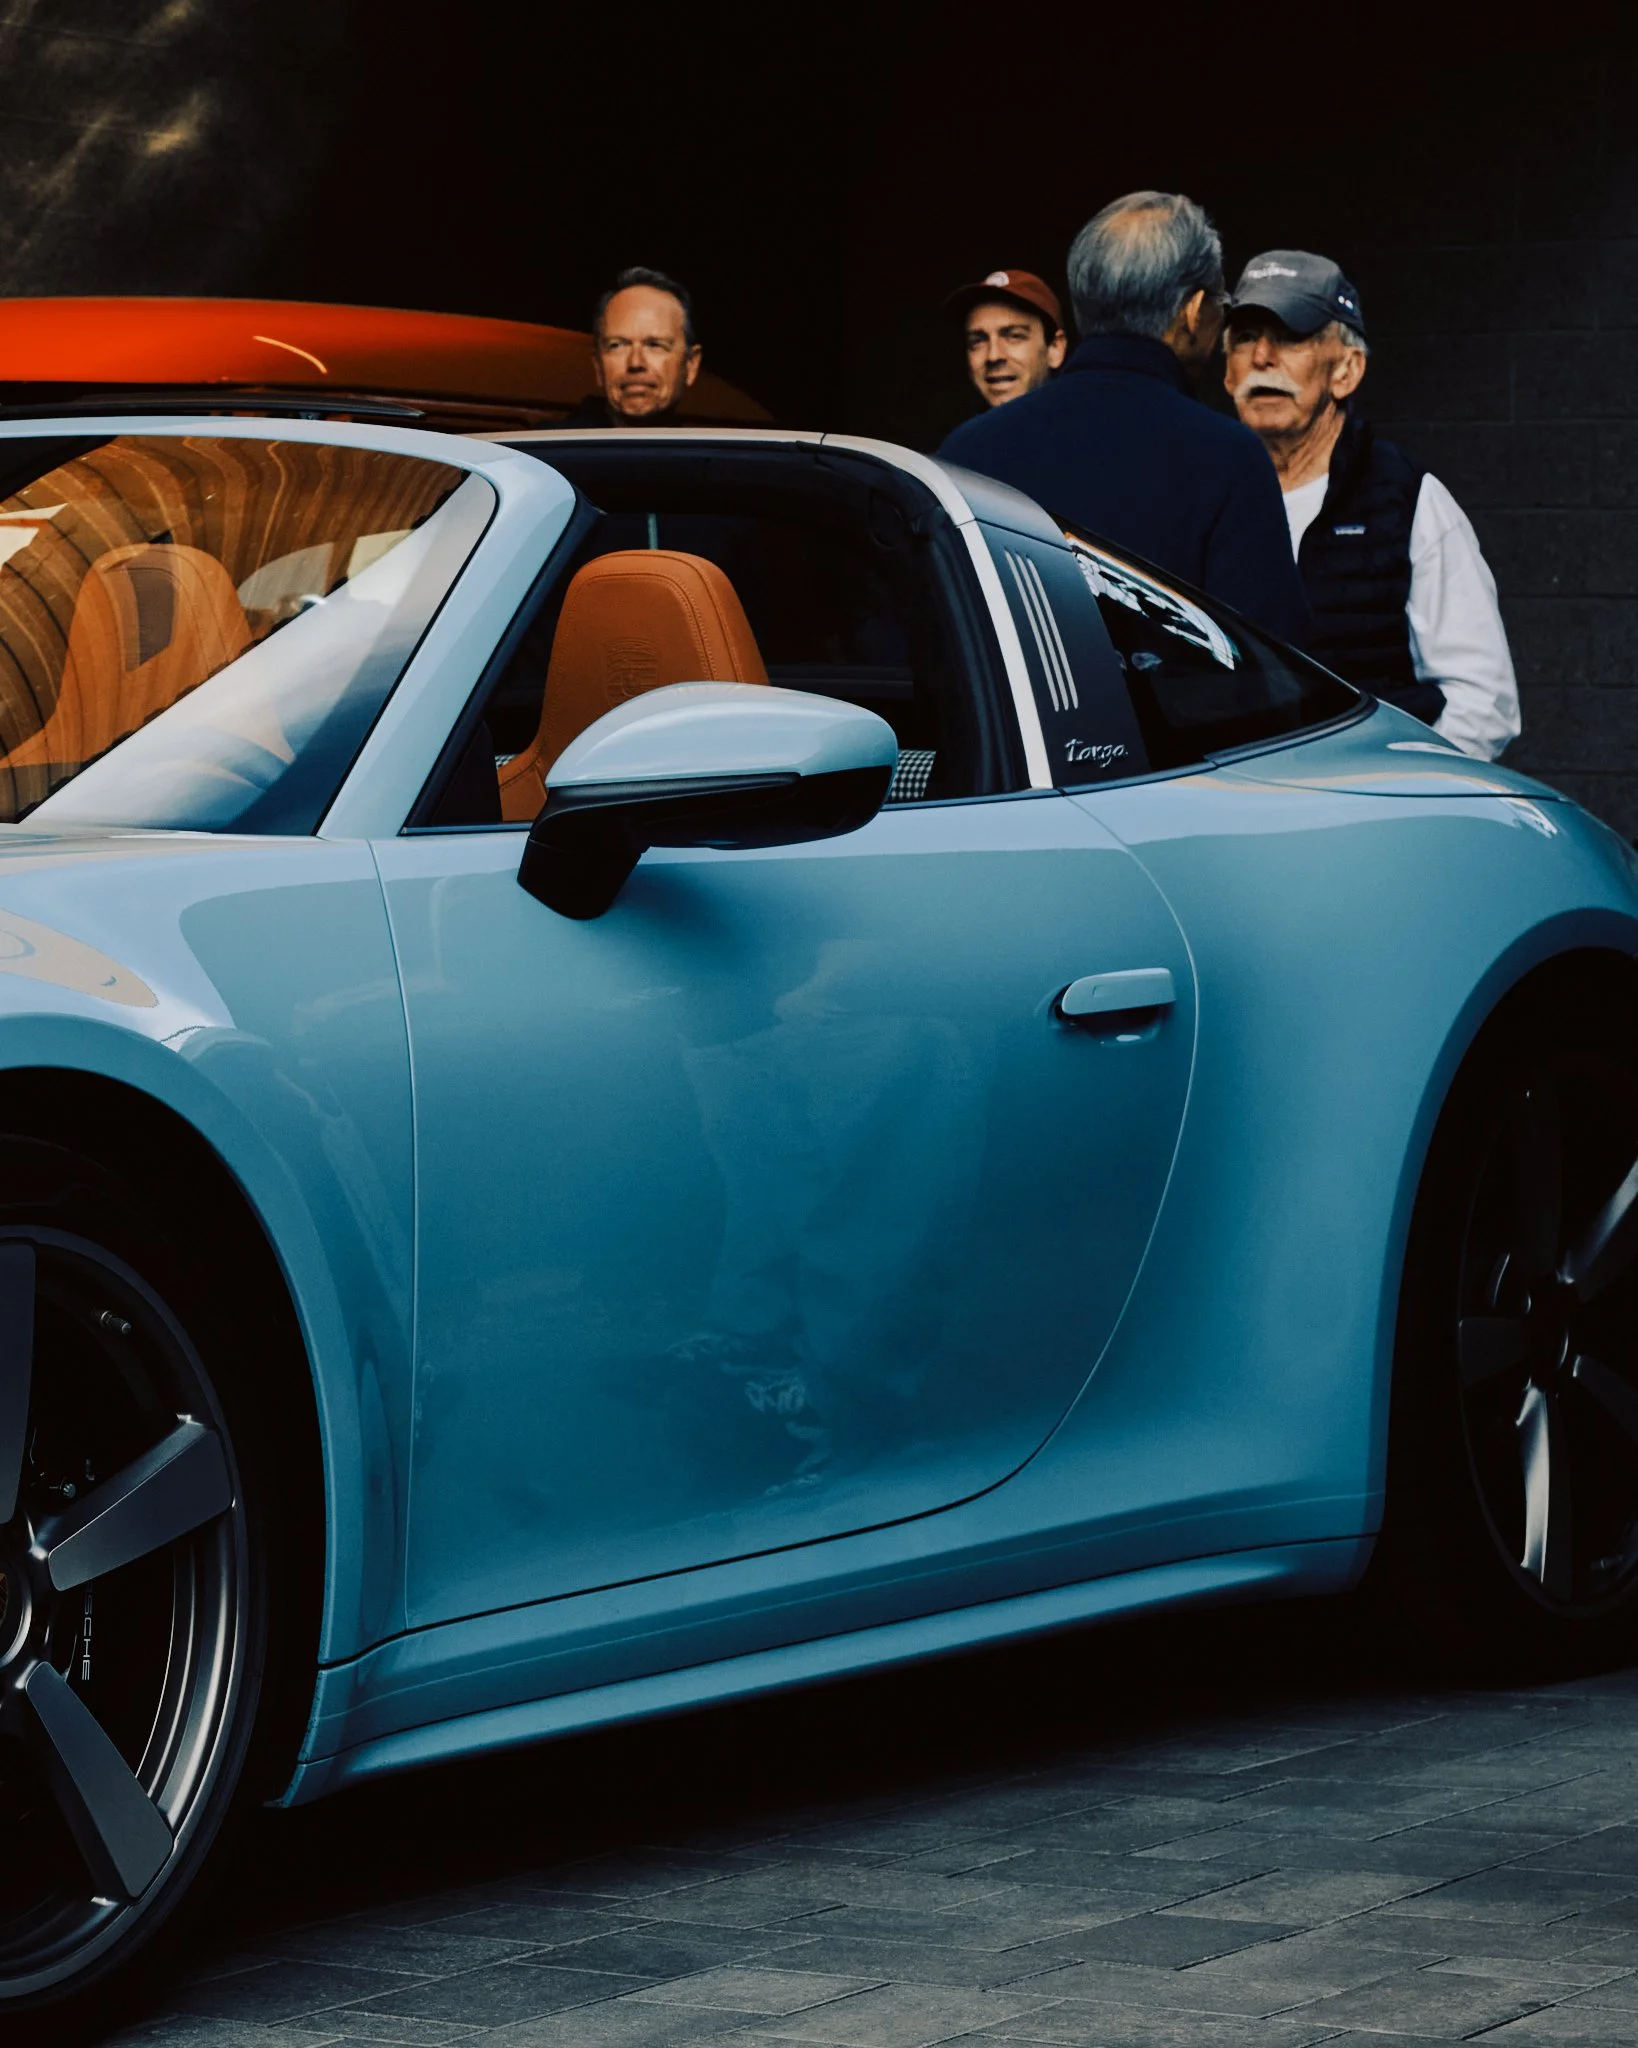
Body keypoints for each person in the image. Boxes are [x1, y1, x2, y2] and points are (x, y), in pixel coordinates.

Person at [939, 191, 1307, 644]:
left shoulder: (964, 452)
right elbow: (1271, 668)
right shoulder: (1228, 457)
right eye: (1220, 304)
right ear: (1192, 312)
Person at [1224, 250, 1519, 759]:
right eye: (1245, 338)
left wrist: (1392, 792)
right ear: (1226, 374)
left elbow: (1484, 703)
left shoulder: (1407, 498)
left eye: (1291, 337)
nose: (1262, 358)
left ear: (1347, 370)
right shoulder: (1203, 494)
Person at [564, 266, 701, 426]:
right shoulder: (544, 449)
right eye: (617, 345)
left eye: (655, 345)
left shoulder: (706, 450)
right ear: (598, 366)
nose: (635, 363)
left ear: (691, 364)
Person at [945, 269, 1067, 409]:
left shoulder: (1086, 426)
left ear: (1055, 348)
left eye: (1014, 336)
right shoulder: (962, 430)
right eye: (978, 341)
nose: (993, 356)